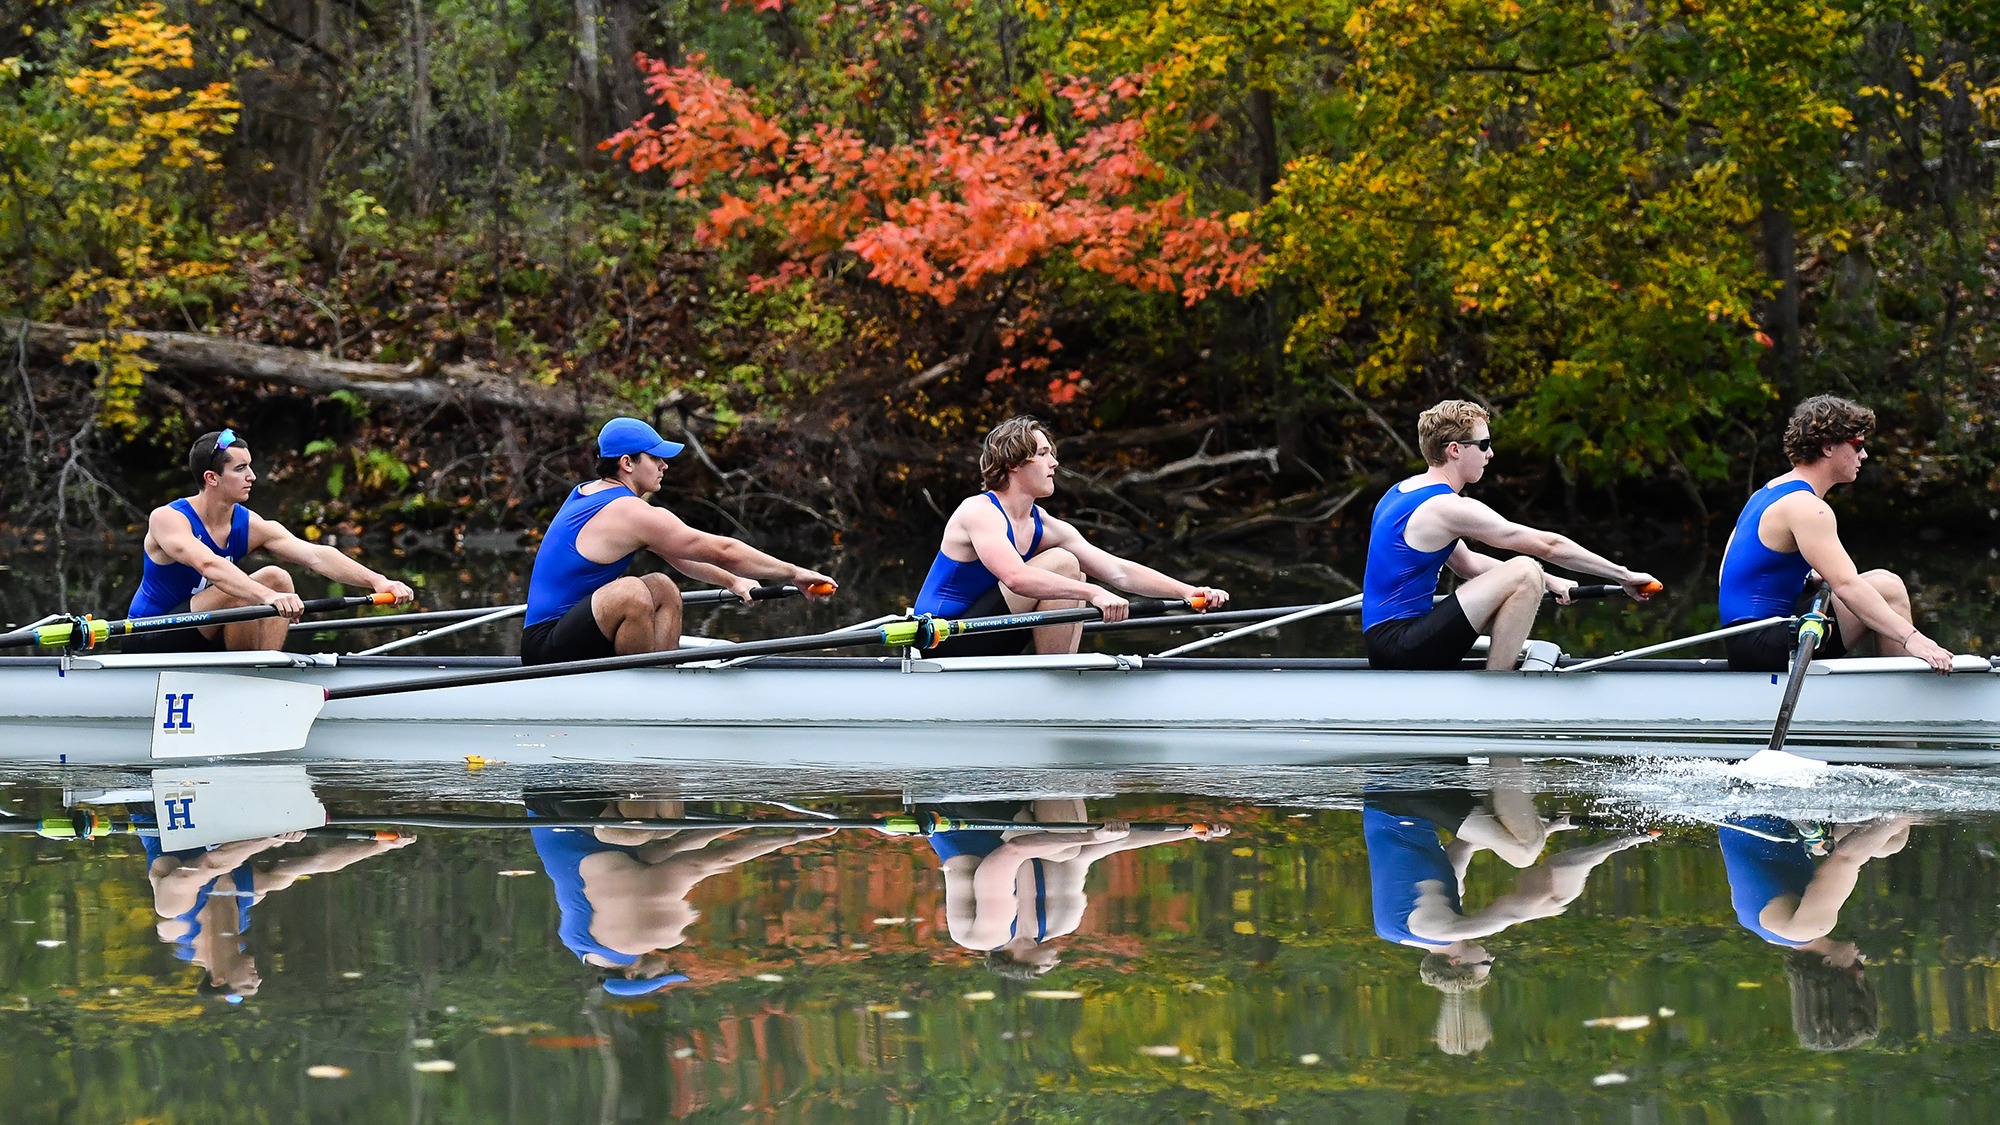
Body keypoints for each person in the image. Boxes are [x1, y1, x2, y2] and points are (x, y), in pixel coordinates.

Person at [1363, 766, 1654, 1054]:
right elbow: (1461, 849)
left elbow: (1508, 915)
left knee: (1525, 854)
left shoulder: (1435, 930)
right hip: (1404, 796)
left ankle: (1507, 755)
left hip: (1404, 799)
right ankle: (1509, 771)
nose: (1491, 956)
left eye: (1484, 963)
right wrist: (1547, 829)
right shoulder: (1416, 923)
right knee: (1524, 845)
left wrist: (1547, 906)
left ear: (1455, 962)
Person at [1361, 400, 1660, 670]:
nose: (1490, 453)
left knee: (1529, 574)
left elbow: (1469, 565)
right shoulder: (1447, 508)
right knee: (1525, 570)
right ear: (1455, 450)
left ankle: (1498, 678)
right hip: (1400, 647)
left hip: (1387, 643)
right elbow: (1549, 545)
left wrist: (1551, 581)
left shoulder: (1400, 492)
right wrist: (1622, 575)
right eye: (1483, 444)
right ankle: (1499, 688)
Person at [521, 417, 837, 665]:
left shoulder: (594, 492)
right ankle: (639, 689)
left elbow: (683, 556)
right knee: (631, 591)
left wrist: (733, 581)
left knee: (662, 586)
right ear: (627, 463)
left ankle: (660, 681)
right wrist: (794, 573)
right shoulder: (628, 511)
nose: (664, 465)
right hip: (545, 649)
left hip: (576, 633)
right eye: (655, 457)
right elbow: (722, 549)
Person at [912, 417, 1228, 656]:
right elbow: (1015, 577)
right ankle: (1057, 678)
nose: (1055, 463)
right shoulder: (978, 512)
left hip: (989, 636)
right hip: (942, 643)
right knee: (1064, 563)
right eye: (1044, 454)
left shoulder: (1045, 526)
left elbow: (1119, 571)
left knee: (1072, 564)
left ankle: (1059, 675)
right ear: (1013, 464)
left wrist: (1188, 592)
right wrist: (1092, 594)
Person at [1717, 395, 1954, 673]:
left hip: (1746, 640)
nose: (1863, 455)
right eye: (1858, 445)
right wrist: (1913, 638)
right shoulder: (1809, 508)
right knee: (1887, 588)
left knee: (1882, 580)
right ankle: (1902, 693)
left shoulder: (1767, 492)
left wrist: (1805, 580)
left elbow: (1726, 573)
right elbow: (1846, 586)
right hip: (1763, 643)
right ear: (1828, 447)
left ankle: (1898, 680)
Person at [125, 429, 414, 653]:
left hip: (203, 632)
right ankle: (250, 674)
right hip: (150, 635)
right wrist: (267, 598)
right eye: (240, 469)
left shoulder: (249, 524)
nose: (252, 476)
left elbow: (315, 555)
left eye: (249, 466)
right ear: (212, 478)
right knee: (252, 588)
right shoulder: (168, 519)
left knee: (277, 577)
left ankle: (262, 669)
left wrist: (378, 581)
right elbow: (209, 565)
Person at [528, 796, 835, 995]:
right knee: (662, 834)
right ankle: (658, 764)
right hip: (561, 807)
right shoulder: (583, 943)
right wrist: (769, 827)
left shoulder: (626, 939)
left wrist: (794, 835)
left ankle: (645, 754)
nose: (669, 966)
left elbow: (714, 861)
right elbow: (665, 853)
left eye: (664, 973)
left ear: (634, 975)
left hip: (560, 802)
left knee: (639, 831)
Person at [926, 798, 1227, 979]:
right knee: (1073, 847)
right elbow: (1103, 848)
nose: (1055, 964)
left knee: (1071, 845)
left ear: (1017, 964)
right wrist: (1188, 832)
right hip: (1014, 813)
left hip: (960, 815)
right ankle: (1061, 751)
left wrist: (1092, 837)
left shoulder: (984, 936)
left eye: (1044, 970)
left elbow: (1012, 852)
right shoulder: (1060, 921)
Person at [143, 825, 415, 1000]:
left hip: (155, 805)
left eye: (248, 985)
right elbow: (314, 864)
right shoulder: (249, 895)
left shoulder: (175, 921)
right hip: (215, 806)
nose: (258, 978)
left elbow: (208, 865)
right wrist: (377, 847)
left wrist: (269, 838)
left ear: (218, 980)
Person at [1717, 815, 1909, 1050]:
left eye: (1858, 967)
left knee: (1892, 833)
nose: (1863, 958)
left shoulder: (1813, 927)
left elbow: (1847, 857)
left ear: (1828, 964)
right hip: (1738, 819)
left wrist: (1910, 814)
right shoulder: (1768, 931)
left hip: (1764, 816)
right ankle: (1813, 834)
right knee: (1891, 844)